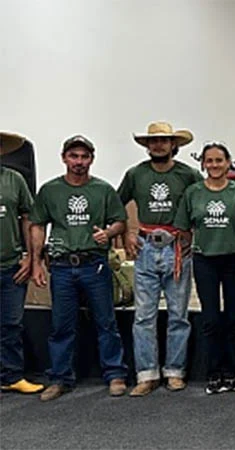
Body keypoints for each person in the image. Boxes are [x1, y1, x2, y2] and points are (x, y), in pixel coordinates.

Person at [30, 135, 128, 401]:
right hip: (61, 265)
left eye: (84, 157)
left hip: (94, 264)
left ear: (92, 160)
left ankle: (115, 374)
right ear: (64, 158)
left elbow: (120, 221)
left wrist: (108, 233)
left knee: (106, 323)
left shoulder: (103, 190)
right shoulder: (50, 191)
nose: (79, 162)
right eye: (74, 156)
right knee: (61, 325)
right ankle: (60, 378)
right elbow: (38, 225)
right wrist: (36, 262)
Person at [119, 121, 202, 396]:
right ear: (147, 146)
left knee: (179, 314)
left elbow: (203, 202)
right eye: (153, 141)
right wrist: (128, 233)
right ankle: (147, 374)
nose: (158, 145)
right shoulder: (135, 175)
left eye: (164, 141)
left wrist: (194, 235)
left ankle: (175, 371)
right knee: (143, 315)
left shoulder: (188, 175)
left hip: (176, 248)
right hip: (145, 247)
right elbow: (116, 204)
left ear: (173, 145)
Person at [173, 141, 235, 395]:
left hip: (234, 259)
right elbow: (183, 227)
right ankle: (214, 371)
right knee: (211, 318)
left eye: (219, 160)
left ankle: (232, 372)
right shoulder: (193, 193)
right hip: (205, 260)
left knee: (234, 318)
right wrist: (195, 244)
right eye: (209, 161)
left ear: (228, 163)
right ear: (203, 164)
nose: (214, 165)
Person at [0, 131, 44, 395]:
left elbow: (28, 218)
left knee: (11, 325)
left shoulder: (14, 179)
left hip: (10, 266)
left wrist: (30, 257)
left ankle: (11, 376)